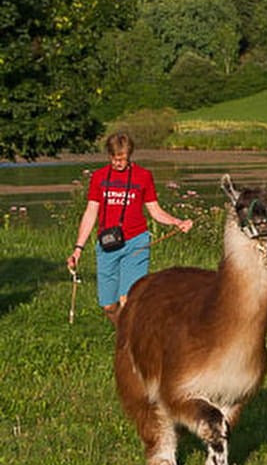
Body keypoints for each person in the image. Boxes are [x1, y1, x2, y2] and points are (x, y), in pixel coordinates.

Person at [66, 132, 193, 326]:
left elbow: (155, 210)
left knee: (128, 301)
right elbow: (91, 212)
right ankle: (122, 333)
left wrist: (177, 222)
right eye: (115, 159)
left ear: (129, 155)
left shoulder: (143, 176)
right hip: (107, 243)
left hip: (136, 242)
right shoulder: (99, 177)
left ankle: (129, 342)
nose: (119, 163)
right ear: (109, 156)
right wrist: (78, 249)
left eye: (123, 159)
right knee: (109, 306)